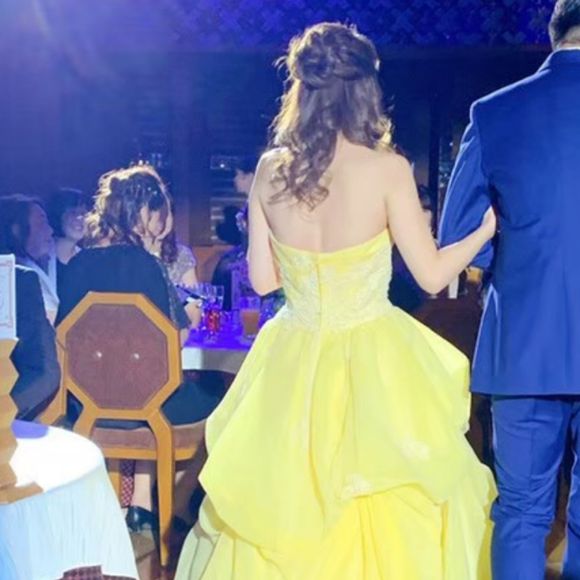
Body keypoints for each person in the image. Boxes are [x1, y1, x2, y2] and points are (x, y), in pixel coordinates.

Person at [176, 23, 496, 579]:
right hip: (373, 355)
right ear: (366, 89)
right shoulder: (387, 169)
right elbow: (431, 274)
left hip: (291, 356)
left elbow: (263, 279)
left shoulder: (271, 170)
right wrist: (486, 229)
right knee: (385, 497)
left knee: (284, 504)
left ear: (301, 90)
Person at [439, 2, 580, 578]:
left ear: (554, 33)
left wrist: (516, 263)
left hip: (524, 341)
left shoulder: (494, 111)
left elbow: (458, 235)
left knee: (520, 513)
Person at [57, 165, 224, 532]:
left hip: (86, 406)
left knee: (149, 386)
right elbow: (175, 340)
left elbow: (63, 338)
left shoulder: (77, 263)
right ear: (144, 213)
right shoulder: (148, 265)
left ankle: (140, 505)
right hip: (148, 407)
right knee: (225, 405)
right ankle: (174, 507)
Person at [0, 195, 58, 324]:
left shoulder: (44, 267)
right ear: (16, 229)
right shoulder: (13, 277)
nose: (50, 230)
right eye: (41, 224)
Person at [46, 187, 88, 296]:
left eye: (83, 213)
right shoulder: (41, 257)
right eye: (73, 212)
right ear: (58, 215)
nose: (80, 218)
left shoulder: (88, 259)